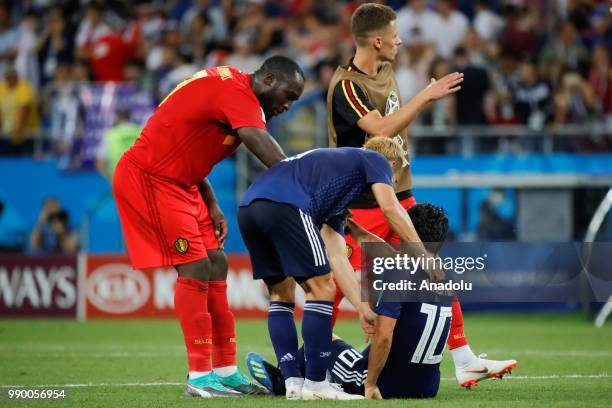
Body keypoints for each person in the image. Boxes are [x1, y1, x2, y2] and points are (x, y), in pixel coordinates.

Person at [326, 3, 514, 387]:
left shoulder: (387, 69)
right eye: (394, 35)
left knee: (432, 271)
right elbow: (380, 128)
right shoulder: (346, 85)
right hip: (361, 206)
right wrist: (426, 96)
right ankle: (308, 363)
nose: (399, 41)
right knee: (332, 289)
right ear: (376, 41)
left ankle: (463, 358)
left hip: (399, 195)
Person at [113, 56, 305, 398]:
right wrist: (304, 183)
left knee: (217, 263)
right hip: (151, 178)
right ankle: (200, 378)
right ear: (269, 79)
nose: (288, 105)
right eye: (288, 95)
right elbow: (259, 143)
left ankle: (226, 371)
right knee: (196, 266)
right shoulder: (235, 91)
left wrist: (211, 202)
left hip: (185, 184)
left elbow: (187, 140)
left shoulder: (238, 96)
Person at [246, 203, 517, 399]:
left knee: (324, 336)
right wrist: (356, 230)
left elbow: (384, 337)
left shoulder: (396, 273)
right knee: (348, 344)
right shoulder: (443, 276)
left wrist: (370, 384)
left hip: (389, 385)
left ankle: (286, 381)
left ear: (406, 230)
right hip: (428, 387)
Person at [237, 137, 439, 400]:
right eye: (395, 176)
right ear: (391, 164)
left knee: (280, 292)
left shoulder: (334, 189)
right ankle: (317, 384)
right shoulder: (374, 159)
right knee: (322, 288)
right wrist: (422, 254)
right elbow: (391, 208)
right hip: (286, 205)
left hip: (249, 207)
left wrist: (361, 307)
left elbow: (337, 257)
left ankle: (293, 382)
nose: (394, 183)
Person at [96, 110, 141, 181]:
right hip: (139, 181)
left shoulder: (110, 135)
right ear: (130, 117)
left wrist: (111, 179)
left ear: (117, 118)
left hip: (119, 180)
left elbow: (100, 163)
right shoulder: (141, 132)